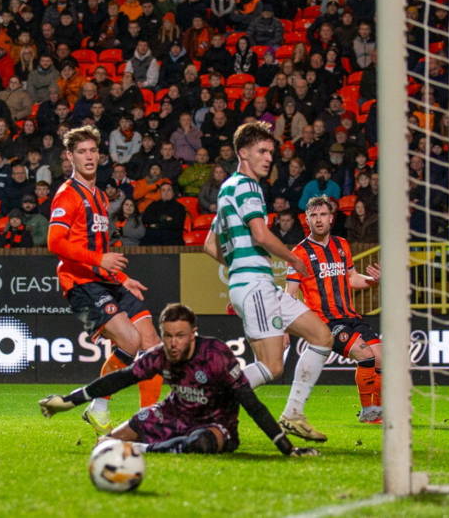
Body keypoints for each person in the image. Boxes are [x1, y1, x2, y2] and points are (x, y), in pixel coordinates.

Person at [38, 303, 318, 457]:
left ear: (193, 333)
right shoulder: (161, 355)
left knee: (201, 444)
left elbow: (252, 403)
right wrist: (68, 400)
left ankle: (140, 450)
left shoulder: (217, 356)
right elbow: (119, 379)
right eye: (168, 335)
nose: (173, 342)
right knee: (104, 445)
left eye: (180, 335)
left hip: (215, 425)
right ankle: (135, 448)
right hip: (171, 415)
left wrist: (287, 448)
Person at [202, 121, 333, 442]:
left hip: (259, 285)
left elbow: (208, 245)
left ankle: (293, 414)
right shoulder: (246, 186)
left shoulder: (227, 188)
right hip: (256, 287)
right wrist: (294, 260)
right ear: (242, 152)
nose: (268, 158)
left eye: (271, 152)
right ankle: (204, 401)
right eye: (261, 151)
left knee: (321, 335)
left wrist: (239, 267)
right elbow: (260, 234)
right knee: (272, 367)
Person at [47, 125, 162, 434]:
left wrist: (122, 277)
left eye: (92, 151)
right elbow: (55, 243)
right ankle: (99, 405)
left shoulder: (98, 196)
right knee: (130, 341)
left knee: (153, 346)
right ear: (70, 156)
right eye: (81, 152)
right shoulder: (66, 195)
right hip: (80, 282)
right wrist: (101, 261)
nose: (88, 157)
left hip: (106, 279)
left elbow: (99, 248)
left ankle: (145, 421)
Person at [286, 196, 384, 423]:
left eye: (323, 215)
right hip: (326, 322)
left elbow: (351, 278)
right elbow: (289, 293)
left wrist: (373, 280)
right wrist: (286, 326)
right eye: (313, 216)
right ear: (306, 220)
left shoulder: (342, 245)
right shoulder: (298, 254)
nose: (318, 220)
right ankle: (369, 411)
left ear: (331, 218)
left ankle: (377, 411)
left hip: (351, 316)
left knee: (381, 358)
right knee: (365, 355)